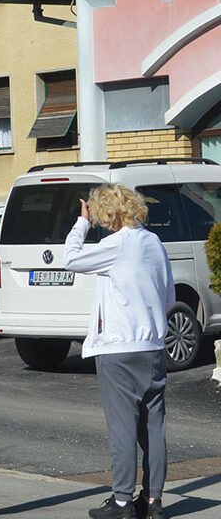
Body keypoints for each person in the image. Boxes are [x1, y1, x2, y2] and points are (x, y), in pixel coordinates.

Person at [63, 184, 173, 519]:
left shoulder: (116, 244)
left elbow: (70, 259)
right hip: (153, 346)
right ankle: (153, 501)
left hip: (119, 348)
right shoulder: (153, 243)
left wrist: (80, 224)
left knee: (123, 427)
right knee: (153, 426)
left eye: (96, 212)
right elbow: (167, 297)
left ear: (108, 213)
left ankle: (123, 502)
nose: (95, 218)